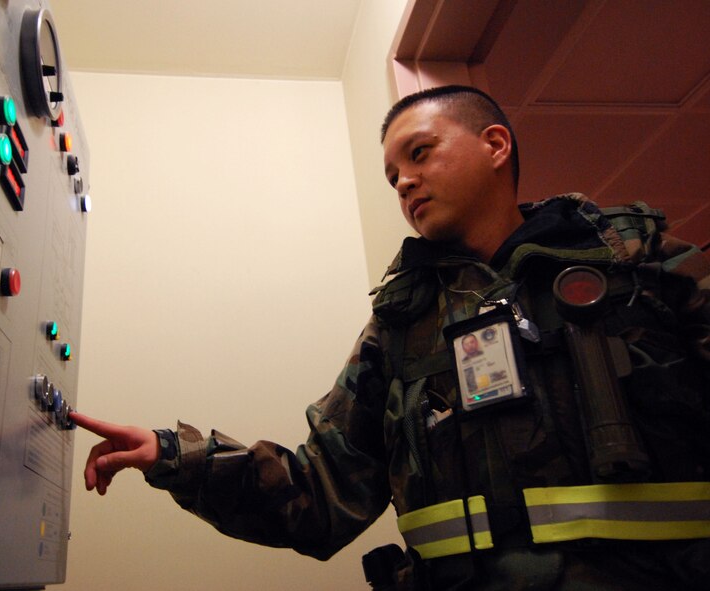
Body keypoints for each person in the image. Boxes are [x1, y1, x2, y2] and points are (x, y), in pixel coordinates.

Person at [70, 85, 710, 590]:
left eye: (420, 153)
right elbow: (319, 494)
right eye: (391, 175)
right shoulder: (401, 325)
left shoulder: (639, 261)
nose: (403, 182)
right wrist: (175, 456)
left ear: (494, 145)